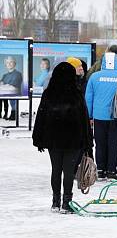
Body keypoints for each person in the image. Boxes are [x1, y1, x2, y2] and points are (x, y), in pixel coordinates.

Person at [32, 62, 93, 213]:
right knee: (69, 171)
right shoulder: (76, 93)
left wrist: (38, 139)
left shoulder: (48, 93)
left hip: (53, 138)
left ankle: (55, 202)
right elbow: (84, 118)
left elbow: (41, 116)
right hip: (73, 139)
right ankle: (67, 202)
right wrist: (88, 142)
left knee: (56, 169)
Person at [85, 52, 117, 180]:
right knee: (114, 144)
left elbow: (88, 99)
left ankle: (100, 170)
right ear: (116, 63)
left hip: (98, 116)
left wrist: (89, 116)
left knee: (100, 144)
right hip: (116, 117)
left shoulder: (94, 77)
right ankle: (111, 170)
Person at [1, 56, 23, 121]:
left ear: (14, 63)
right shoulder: (5, 75)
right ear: (5, 64)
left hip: (14, 96)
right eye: (7, 62)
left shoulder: (18, 74)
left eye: (11, 62)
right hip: (7, 96)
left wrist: (5, 85)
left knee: (13, 104)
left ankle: (13, 115)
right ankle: (10, 115)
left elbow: (13, 88)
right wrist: (6, 85)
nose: (9, 64)